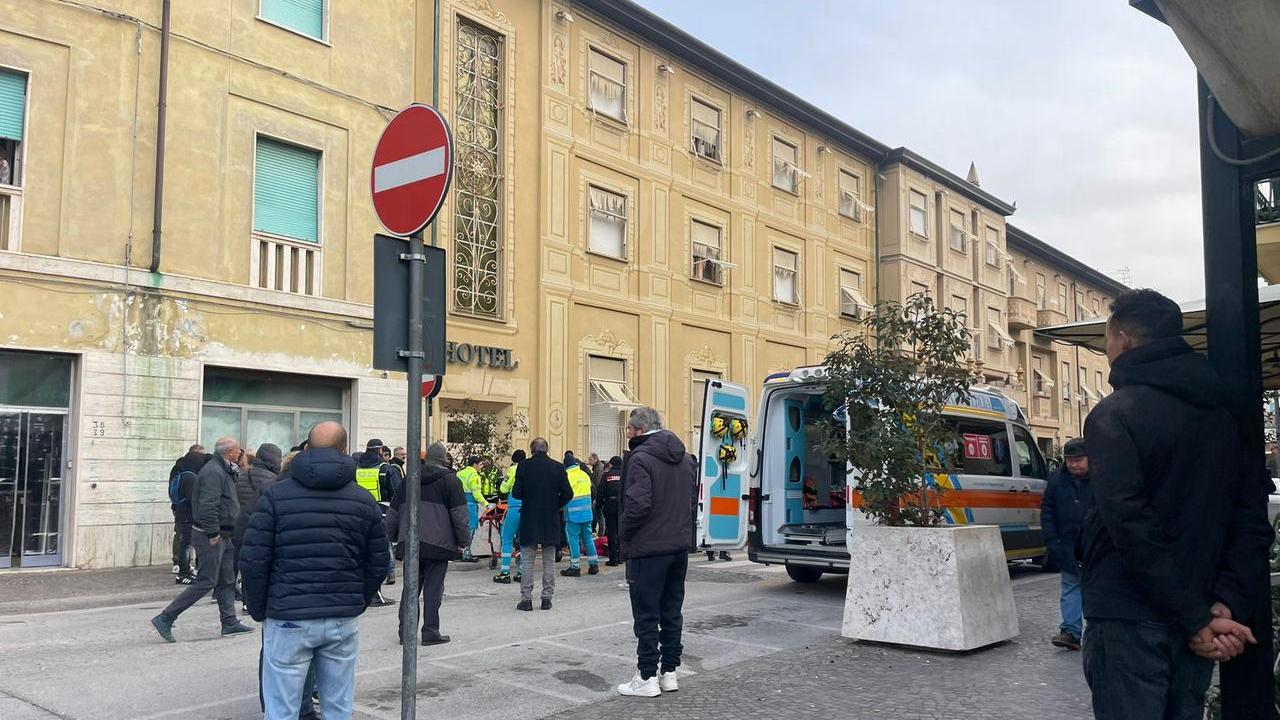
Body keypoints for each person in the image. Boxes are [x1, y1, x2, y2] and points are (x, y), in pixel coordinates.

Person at [1081, 289, 1273, 720]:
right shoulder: (1223, 415)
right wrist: (1219, 605)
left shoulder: (1115, 415)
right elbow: (1251, 520)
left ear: (1124, 339)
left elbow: (1129, 526)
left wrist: (1195, 619)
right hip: (1203, 609)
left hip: (1129, 615)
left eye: (1108, 338)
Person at [239, 421, 390, 720]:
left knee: (281, 709)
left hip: (287, 616)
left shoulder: (275, 496)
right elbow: (378, 561)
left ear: (307, 448)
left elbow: (253, 560)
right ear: (345, 450)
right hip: (341, 616)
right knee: (337, 707)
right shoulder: (363, 500)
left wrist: (260, 609)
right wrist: (356, 601)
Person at [616, 407, 696, 698]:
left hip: (648, 549)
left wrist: (622, 534)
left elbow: (637, 505)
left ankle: (647, 675)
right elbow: (689, 501)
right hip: (677, 547)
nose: (626, 433)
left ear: (639, 429)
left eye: (628, 428)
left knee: (647, 614)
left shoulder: (640, 459)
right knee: (672, 611)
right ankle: (670, 673)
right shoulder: (685, 459)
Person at [151, 437, 254, 642]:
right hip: (212, 535)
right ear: (231, 452)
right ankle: (166, 617)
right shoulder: (213, 472)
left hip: (225, 534)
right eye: (238, 450)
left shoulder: (223, 469)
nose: (240, 453)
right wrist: (213, 533)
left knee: (227, 580)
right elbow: (208, 505)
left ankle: (229, 622)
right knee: (207, 581)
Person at [388, 441, 470, 646]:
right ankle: (430, 631)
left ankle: (405, 632)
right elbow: (459, 515)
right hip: (439, 544)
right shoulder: (451, 481)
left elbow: (393, 512)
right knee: (434, 590)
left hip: (411, 542)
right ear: (444, 460)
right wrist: (463, 542)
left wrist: (391, 537)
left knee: (410, 589)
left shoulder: (410, 480)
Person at [1040, 437, 1089, 651]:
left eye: (1079, 459)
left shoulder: (1103, 477)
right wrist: (1052, 541)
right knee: (1070, 586)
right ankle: (1070, 631)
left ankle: (1100, 632)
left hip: (1096, 546)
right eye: (1070, 460)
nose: (1074, 464)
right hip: (1066, 544)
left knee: (1098, 591)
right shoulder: (1057, 480)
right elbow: (1047, 511)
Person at [511, 438, 572, 611]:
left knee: (528, 560)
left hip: (529, 517)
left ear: (532, 450)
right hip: (550, 518)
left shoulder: (524, 466)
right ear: (547, 449)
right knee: (549, 561)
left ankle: (526, 599)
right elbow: (568, 493)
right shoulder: (558, 467)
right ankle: (546, 598)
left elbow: (516, 493)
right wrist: (556, 505)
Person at [233, 443, 282, 605]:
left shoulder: (241, 476)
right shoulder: (271, 480)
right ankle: (249, 601)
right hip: (259, 525)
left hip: (241, 524)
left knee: (241, 563)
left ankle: (232, 593)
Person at [356, 439, 401, 586]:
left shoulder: (357, 467)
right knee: (384, 542)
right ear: (380, 450)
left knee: (364, 542)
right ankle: (390, 572)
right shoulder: (385, 468)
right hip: (382, 508)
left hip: (361, 509)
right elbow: (395, 489)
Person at [168, 444, 204, 584]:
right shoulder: (190, 477)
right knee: (186, 543)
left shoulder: (181, 471)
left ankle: (185, 570)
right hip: (187, 514)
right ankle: (183, 572)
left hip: (180, 511)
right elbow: (192, 498)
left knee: (185, 542)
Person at [561, 452, 599, 577]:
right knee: (588, 539)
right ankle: (594, 565)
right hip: (587, 512)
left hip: (573, 514)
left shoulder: (567, 475)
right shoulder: (584, 474)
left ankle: (575, 567)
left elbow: (564, 494)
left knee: (573, 541)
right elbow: (592, 490)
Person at [494, 449, 526, 583]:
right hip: (528, 509)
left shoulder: (513, 470)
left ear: (513, 460)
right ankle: (521, 572)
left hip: (514, 508)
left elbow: (503, 489)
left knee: (506, 538)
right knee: (524, 541)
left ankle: (505, 572)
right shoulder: (530, 469)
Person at [456, 457, 493, 562]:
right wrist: (486, 504)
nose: (481, 467)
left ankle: (460, 551)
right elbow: (476, 494)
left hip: (459, 504)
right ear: (475, 465)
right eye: (480, 465)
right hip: (470, 505)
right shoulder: (474, 476)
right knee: (470, 529)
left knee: (461, 528)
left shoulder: (459, 473)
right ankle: (466, 553)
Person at [602, 456, 623, 566]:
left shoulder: (607, 475)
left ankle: (613, 558)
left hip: (610, 505)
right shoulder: (626, 475)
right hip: (622, 506)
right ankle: (620, 557)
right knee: (621, 531)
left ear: (611, 464)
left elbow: (601, 491)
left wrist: (598, 506)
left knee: (611, 532)